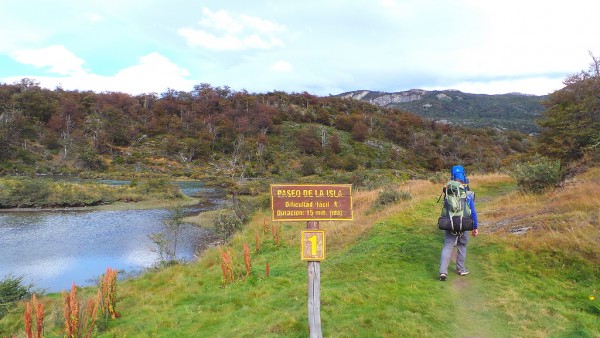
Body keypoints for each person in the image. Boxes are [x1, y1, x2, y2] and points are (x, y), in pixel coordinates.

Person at [439, 166, 478, 281]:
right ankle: (461, 269)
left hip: (449, 223)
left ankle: (443, 272)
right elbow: (473, 212)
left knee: (448, 246)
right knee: (462, 245)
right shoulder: (468, 195)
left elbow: (444, 210)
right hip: (464, 224)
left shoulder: (448, 192)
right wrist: (475, 227)